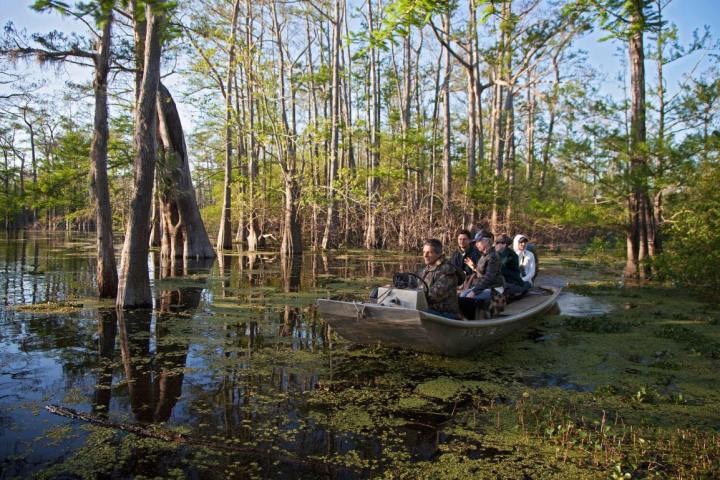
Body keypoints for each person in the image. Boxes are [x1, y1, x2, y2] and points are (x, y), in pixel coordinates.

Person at [459, 233, 504, 318]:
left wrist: (474, 291)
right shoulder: (484, 255)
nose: (476, 244)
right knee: (462, 295)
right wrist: (474, 267)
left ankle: (472, 322)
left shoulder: (493, 257)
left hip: (494, 289)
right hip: (485, 287)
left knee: (468, 298)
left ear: (486, 242)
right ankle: (468, 320)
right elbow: (483, 273)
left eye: (478, 242)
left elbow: (489, 278)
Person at [418, 238, 463, 319]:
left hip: (446, 314)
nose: (425, 255)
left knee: (416, 312)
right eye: (424, 252)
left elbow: (435, 295)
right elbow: (416, 286)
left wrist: (415, 295)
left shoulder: (447, 270)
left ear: (438, 254)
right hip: (430, 310)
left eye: (429, 252)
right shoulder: (426, 269)